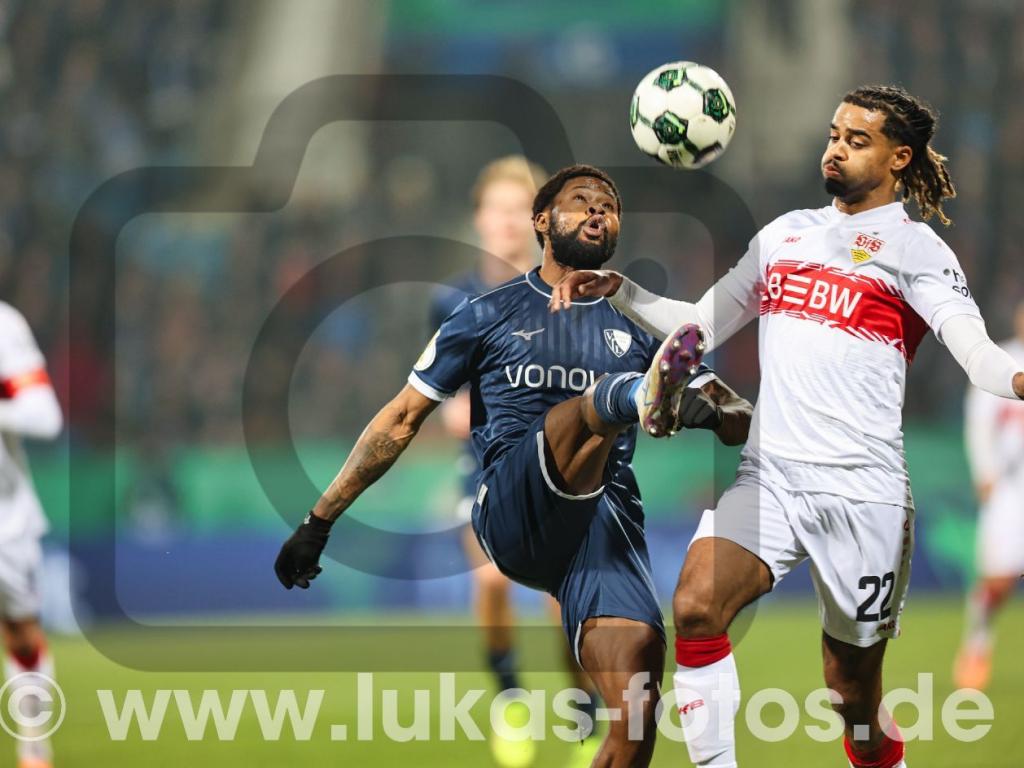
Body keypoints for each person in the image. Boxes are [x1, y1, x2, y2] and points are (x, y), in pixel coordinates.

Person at [550, 85, 1024, 768]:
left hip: (863, 494)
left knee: (851, 694)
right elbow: (702, 323)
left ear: (899, 157)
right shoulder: (784, 235)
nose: (836, 149)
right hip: (770, 476)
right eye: (834, 134)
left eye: (856, 140)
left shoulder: (917, 251)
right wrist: (622, 290)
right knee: (696, 605)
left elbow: (977, 354)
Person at [275, 164, 753, 767]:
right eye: (580, 200)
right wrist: (318, 521)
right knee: (587, 409)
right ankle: (635, 396)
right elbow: (400, 418)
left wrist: (715, 411)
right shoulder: (484, 313)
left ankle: (642, 399)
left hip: (603, 525)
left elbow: (738, 415)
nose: (597, 209)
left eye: (609, 205)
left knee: (635, 716)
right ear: (541, 221)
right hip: (513, 507)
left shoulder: (643, 322)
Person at [431, 155, 603, 768]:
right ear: (478, 218)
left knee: (561, 607)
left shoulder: (570, 292)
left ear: (540, 222)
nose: (505, 221)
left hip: (556, 473)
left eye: (517, 211)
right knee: (490, 580)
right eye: (496, 209)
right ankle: (508, 699)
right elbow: (439, 384)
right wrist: (455, 407)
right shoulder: (451, 299)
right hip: (483, 469)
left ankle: (585, 713)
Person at [0, 301, 63, 768]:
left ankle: (34, 749)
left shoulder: (3, 325)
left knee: (21, 634)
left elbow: (44, 416)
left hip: (4, 517)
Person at [954, 299, 1024, 691]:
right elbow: (979, 423)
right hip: (1011, 490)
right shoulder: (1004, 361)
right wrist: (985, 472)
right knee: (997, 581)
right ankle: (977, 644)